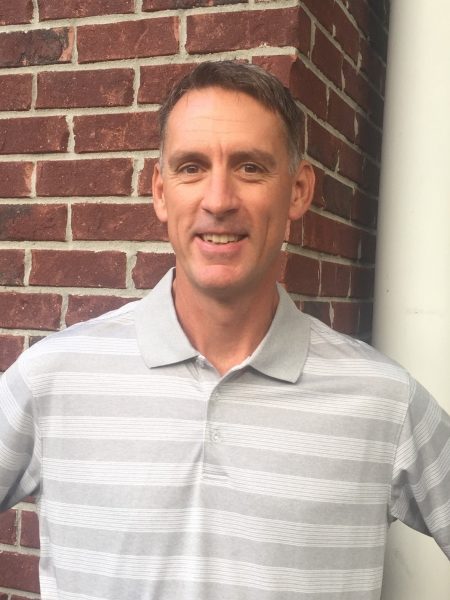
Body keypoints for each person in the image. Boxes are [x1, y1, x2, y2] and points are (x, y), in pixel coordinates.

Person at [0, 61, 448, 600]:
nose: (218, 200)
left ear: (298, 191)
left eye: (250, 168)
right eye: (191, 167)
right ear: (161, 192)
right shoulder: (51, 379)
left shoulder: (385, 402)